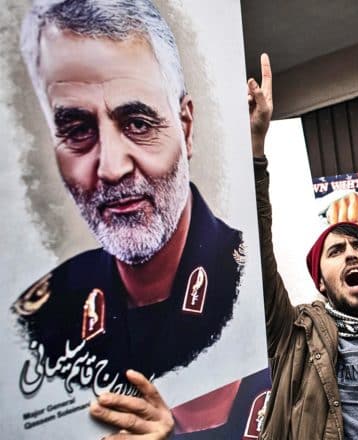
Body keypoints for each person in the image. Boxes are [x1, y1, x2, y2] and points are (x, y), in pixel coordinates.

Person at [13, 0, 245, 405]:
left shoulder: (249, 286)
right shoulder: (39, 323)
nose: (111, 168)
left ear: (185, 129)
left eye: (138, 124)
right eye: (78, 130)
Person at [248, 53, 358, 440]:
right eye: (336, 252)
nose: (351, 253)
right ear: (320, 282)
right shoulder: (296, 333)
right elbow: (259, 249)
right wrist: (255, 146)